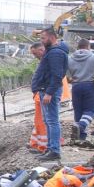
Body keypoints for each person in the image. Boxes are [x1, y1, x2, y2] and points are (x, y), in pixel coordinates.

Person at [38, 29, 70, 161]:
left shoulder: (55, 53)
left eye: (43, 38)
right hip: (46, 89)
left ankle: (54, 150)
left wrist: (49, 92)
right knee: (48, 120)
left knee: (52, 120)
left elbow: (57, 75)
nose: (42, 41)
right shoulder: (52, 52)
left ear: (52, 37)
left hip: (49, 90)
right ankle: (50, 148)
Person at [27, 42, 48, 153]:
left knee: (43, 121)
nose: (35, 57)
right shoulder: (44, 61)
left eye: (35, 53)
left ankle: (43, 147)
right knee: (38, 121)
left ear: (41, 50)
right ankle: (36, 144)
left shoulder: (48, 61)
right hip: (39, 94)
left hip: (43, 94)